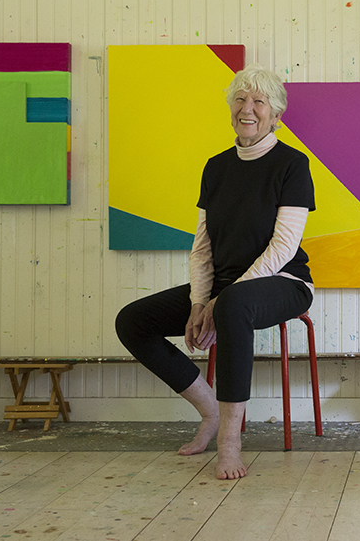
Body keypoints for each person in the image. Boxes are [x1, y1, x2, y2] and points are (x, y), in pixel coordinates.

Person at [116, 64, 315, 480]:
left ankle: (230, 441)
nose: (248, 108)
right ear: (230, 108)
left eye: (259, 101)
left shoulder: (293, 164)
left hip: (284, 282)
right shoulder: (216, 166)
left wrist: (221, 300)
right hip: (227, 291)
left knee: (235, 304)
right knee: (132, 320)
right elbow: (203, 248)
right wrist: (197, 303)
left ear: (275, 113)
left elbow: (283, 247)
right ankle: (209, 412)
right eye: (240, 99)